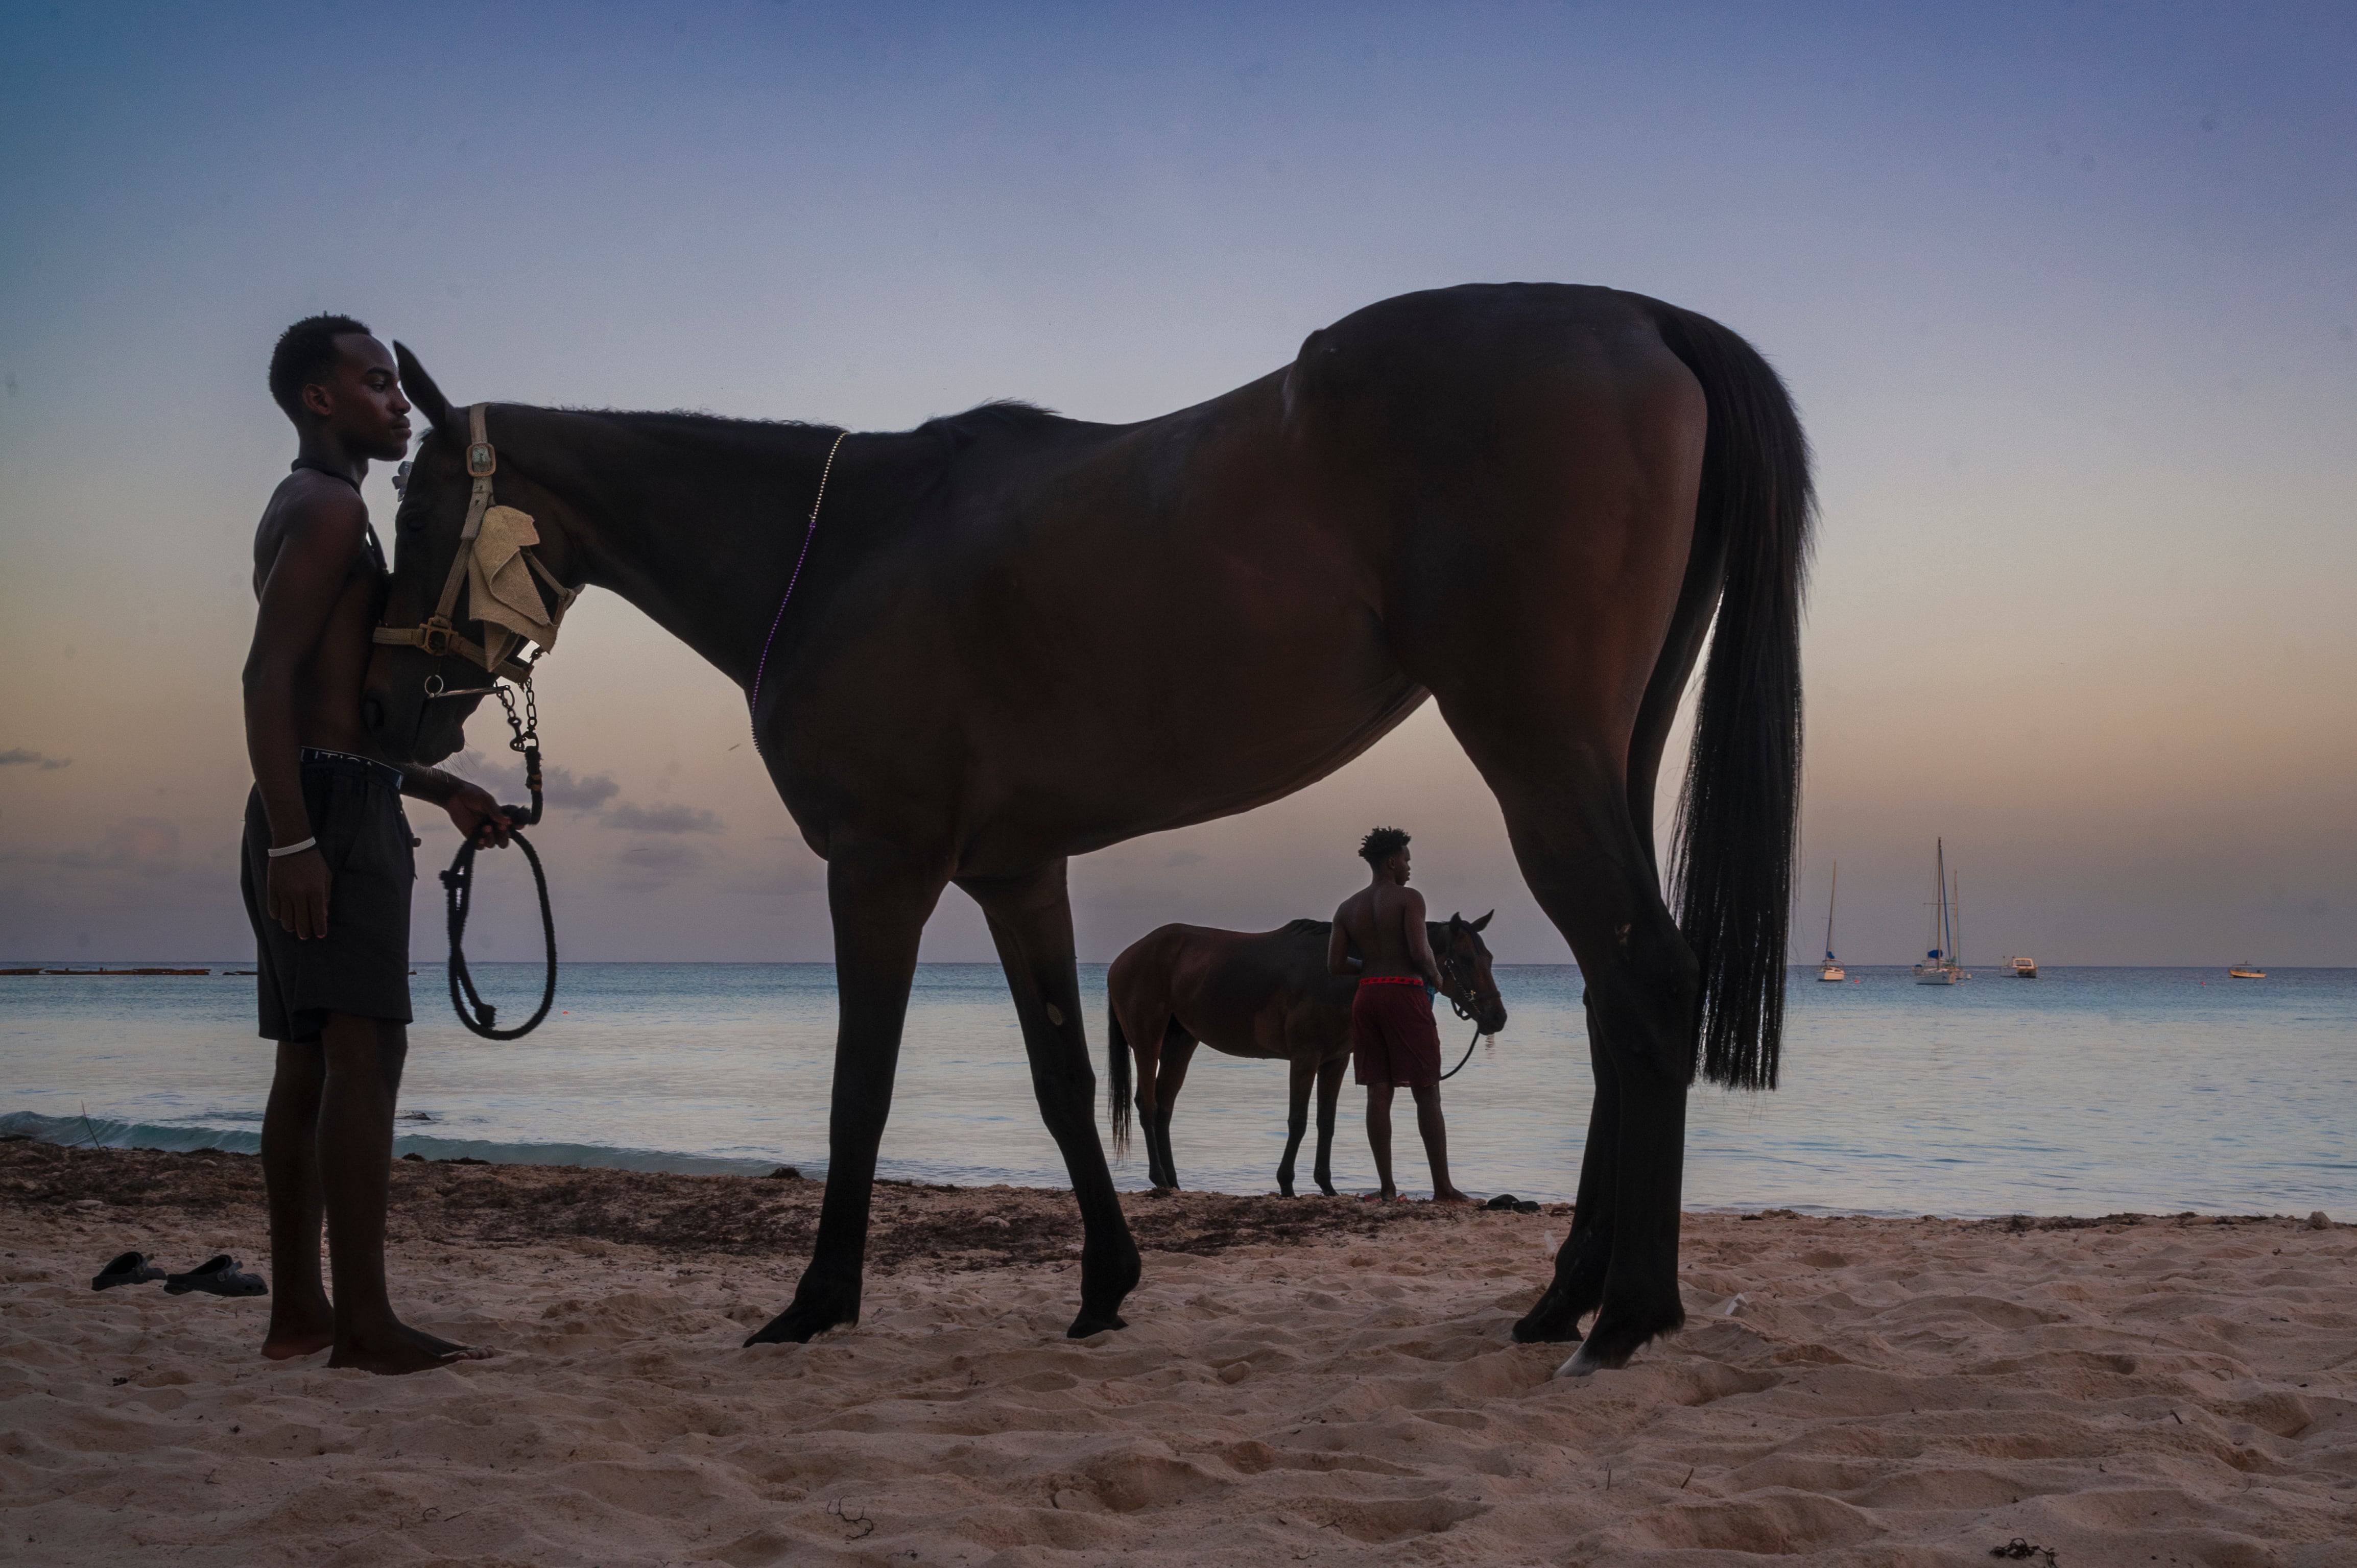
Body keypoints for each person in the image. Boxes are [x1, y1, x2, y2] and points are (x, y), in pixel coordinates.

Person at [242, 314, 510, 1373]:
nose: (399, 402)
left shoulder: (311, 505)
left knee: (309, 1060)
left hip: (320, 797)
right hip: (321, 817)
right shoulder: (329, 508)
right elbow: (265, 682)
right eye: (377, 383)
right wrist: (298, 842)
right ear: (322, 399)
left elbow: (325, 706)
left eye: (398, 385)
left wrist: (440, 786)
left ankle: (300, 1312)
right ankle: (362, 1325)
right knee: (368, 1053)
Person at [1327, 827, 1472, 1204]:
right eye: (1406, 859)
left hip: (1367, 995)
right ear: (1392, 861)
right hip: (1404, 994)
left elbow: (1335, 964)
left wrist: (1371, 967)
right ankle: (1443, 1188)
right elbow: (1419, 951)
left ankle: (1387, 1188)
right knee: (1427, 1091)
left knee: (1378, 1089)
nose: (1409, 866)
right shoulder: (1410, 898)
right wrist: (1439, 981)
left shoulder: (1347, 908)